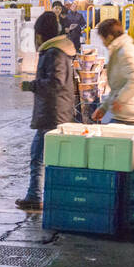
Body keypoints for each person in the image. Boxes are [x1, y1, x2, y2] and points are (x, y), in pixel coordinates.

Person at [16, 11, 77, 210]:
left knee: (38, 157)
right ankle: (38, 195)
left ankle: (35, 196)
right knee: (42, 157)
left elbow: (55, 83)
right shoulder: (59, 51)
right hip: (56, 112)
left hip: (52, 113)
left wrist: (32, 85)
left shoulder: (53, 53)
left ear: (41, 34)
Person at [91, 18, 134, 125]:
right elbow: (118, 87)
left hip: (130, 113)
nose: (103, 43)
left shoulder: (125, 51)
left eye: (102, 39)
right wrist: (103, 108)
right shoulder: (119, 50)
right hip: (126, 111)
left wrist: (120, 100)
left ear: (109, 37)